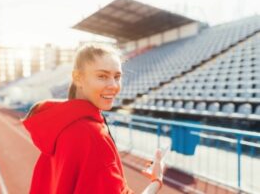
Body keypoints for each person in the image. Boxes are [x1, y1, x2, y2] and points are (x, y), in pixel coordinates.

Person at [22, 44, 165, 194]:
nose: (113, 85)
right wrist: (157, 180)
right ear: (78, 78)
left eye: (117, 77)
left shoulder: (60, 123)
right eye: (102, 76)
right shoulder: (94, 138)